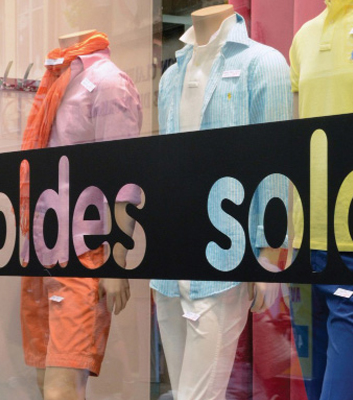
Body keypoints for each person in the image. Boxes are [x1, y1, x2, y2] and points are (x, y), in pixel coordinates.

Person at [151, 4, 292, 400]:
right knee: (182, 392)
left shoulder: (263, 64)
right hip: (170, 260)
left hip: (226, 255)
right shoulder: (171, 77)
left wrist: (269, 252)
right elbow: (165, 165)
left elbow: (276, 163)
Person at [20, 30, 142, 400]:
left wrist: (116, 261)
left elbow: (123, 178)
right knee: (45, 383)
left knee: (62, 390)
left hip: (82, 252)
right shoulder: (57, 77)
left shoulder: (109, 82)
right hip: (40, 248)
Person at [290, 0, 353, 399]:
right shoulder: (303, 37)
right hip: (305, 243)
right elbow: (296, 141)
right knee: (314, 389)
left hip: (349, 242)